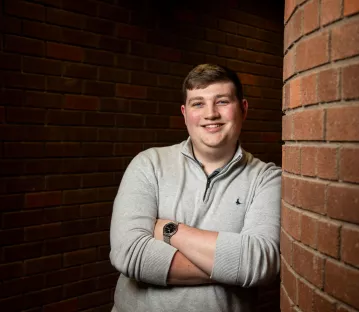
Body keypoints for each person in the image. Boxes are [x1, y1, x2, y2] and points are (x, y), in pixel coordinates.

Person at [109, 64, 281, 312]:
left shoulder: (267, 178)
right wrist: (231, 266)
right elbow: (130, 254)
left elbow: (259, 263)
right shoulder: (148, 164)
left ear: (243, 109)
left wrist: (170, 230)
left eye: (222, 101)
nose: (210, 114)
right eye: (198, 103)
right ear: (185, 112)